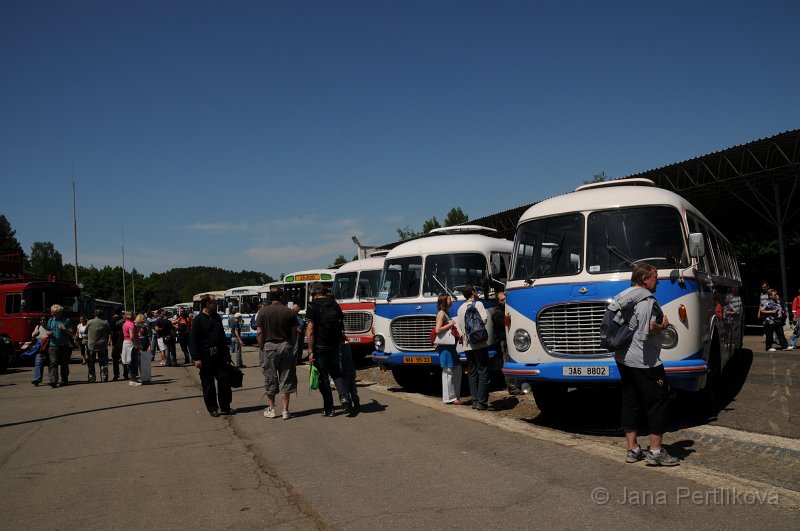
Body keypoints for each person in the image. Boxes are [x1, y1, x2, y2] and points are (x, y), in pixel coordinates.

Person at [611, 262, 679, 466]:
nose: (658, 280)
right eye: (655, 277)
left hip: (623, 358)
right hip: (645, 361)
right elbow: (647, 329)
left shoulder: (624, 295)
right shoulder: (646, 300)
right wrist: (663, 325)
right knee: (657, 401)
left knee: (630, 401)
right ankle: (656, 452)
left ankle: (633, 450)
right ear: (644, 279)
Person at [306, 282, 349, 416]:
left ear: (313, 293)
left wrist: (310, 350)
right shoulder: (334, 304)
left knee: (323, 377)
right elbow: (341, 323)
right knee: (336, 373)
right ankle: (345, 398)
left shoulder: (312, 306)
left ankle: (329, 408)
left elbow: (311, 331)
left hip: (320, 347)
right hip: (334, 345)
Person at [256, 288, 298, 419]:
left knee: (270, 377)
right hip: (286, 345)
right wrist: (290, 344)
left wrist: (261, 346)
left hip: (269, 346)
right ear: (281, 296)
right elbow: (294, 333)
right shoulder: (289, 312)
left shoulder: (263, 312)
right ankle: (285, 410)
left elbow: (259, 333)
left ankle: (272, 409)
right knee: (286, 377)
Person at [190, 294, 234, 417]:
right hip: (205, 356)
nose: (216, 304)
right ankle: (212, 408)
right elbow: (193, 340)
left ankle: (225, 406)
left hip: (219, 355)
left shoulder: (216, 317)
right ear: (207, 304)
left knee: (224, 380)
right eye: (214, 302)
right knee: (208, 383)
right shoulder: (198, 320)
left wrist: (226, 353)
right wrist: (196, 358)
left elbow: (222, 337)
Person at [455, 284, 490, 410]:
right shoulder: (478, 304)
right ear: (473, 293)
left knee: (472, 372)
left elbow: (460, 328)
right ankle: (482, 402)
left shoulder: (460, 309)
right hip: (479, 343)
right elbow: (484, 320)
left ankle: (474, 401)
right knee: (483, 371)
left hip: (467, 344)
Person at [434, 294, 461, 405]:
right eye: (449, 299)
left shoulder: (446, 313)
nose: (451, 300)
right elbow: (437, 330)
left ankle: (454, 396)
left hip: (450, 347)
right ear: (444, 301)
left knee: (455, 369)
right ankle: (449, 398)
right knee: (448, 371)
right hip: (445, 347)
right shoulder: (441, 313)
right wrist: (450, 324)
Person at [492, 291, 519, 394]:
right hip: (504, 342)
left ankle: (516, 384)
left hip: (511, 341)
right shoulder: (498, 314)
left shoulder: (508, 310)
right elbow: (503, 328)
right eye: (502, 300)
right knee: (507, 362)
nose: (505, 301)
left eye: (505, 298)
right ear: (498, 302)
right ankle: (512, 387)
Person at [45, 304, 75, 388]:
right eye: (52, 312)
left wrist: (64, 329)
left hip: (64, 346)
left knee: (64, 363)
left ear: (59, 313)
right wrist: (48, 333)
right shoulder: (50, 320)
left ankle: (64, 380)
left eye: (54, 313)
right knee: (53, 363)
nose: (52, 314)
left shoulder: (66, 320)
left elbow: (72, 332)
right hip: (53, 345)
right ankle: (53, 381)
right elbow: (47, 330)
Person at [85, 309, 111, 383]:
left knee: (91, 363)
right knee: (103, 362)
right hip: (102, 345)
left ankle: (92, 378)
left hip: (91, 345)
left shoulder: (89, 322)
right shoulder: (105, 322)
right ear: (102, 315)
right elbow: (110, 332)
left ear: (95, 314)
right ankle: (104, 377)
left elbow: (85, 331)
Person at [121, 312, 141, 386]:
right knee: (133, 362)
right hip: (131, 345)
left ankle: (134, 379)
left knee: (130, 362)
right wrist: (137, 345)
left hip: (126, 343)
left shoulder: (125, 323)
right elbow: (132, 336)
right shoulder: (131, 324)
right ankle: (133, 380)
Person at [30, 316, 49, 386]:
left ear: (46, 321)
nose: (42, 321)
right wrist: (34, 335)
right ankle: (36, 380)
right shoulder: (37, 327)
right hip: (40, 347)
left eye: (44, 320)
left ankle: (52, 379)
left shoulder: (49, 327)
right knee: (38, 363)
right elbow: (33, 336)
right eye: (41, 320)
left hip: (48, 346)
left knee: (50, 364)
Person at [110, 308, 126, 380]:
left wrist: (110, 341)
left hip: (115, 341)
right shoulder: (124, 320)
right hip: (123, 340)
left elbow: (110, 331)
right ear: (120, 312)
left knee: (115, 359)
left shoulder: (112, 320)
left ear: (114, 312)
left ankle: (116, 374)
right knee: (124, 358)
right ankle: (126, 374)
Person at [135, 314, 152, 383]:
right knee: (143, 363)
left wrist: (149, 346)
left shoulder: (137, 326)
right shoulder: (141, 326)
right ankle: (144, 377)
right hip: (141, 344)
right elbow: (147, 336)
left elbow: (147, 336)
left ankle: (143, 377)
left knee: (141, 363)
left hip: (141, 344)